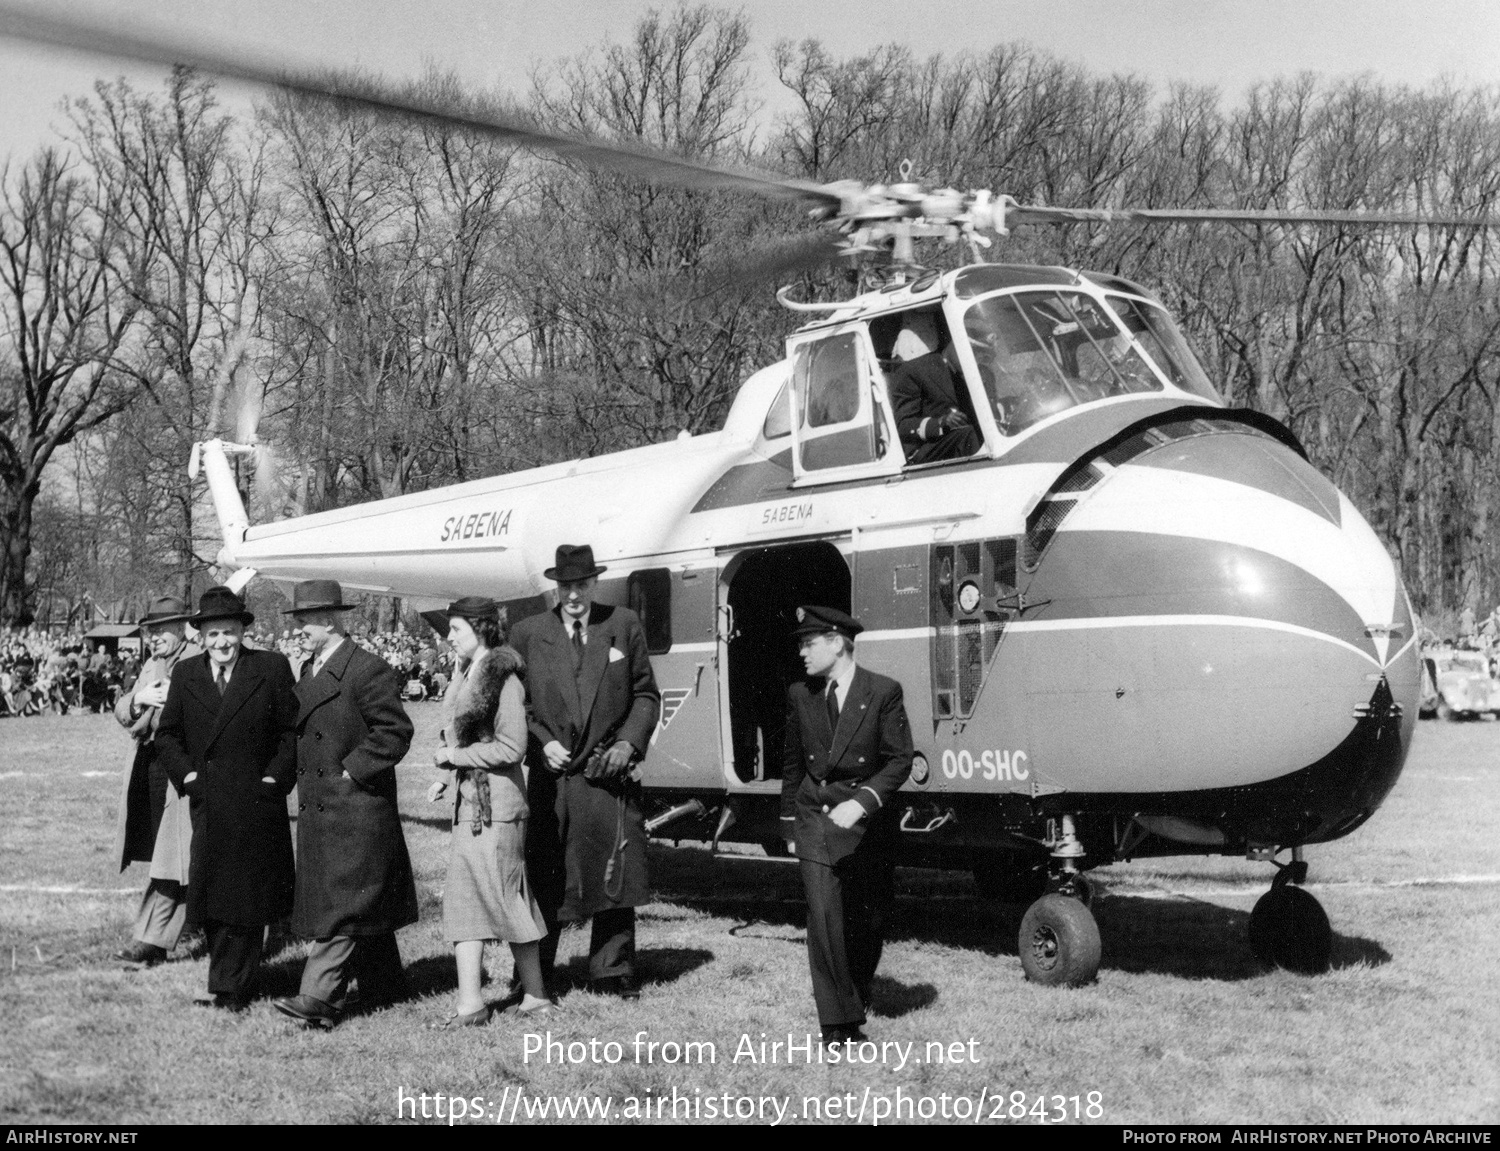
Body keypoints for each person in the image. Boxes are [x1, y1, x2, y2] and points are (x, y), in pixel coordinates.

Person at [509, 544, 661, 999]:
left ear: (595, 583)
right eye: (565, 586)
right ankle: (534, 972)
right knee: (544, 871)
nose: (574, 595)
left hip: (605, 774)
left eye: (582, 585)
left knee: (614, 867)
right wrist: (544, 742)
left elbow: (646, 695)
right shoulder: (528, 632)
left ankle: (612, 970)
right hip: (552, 776)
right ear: (555, 588)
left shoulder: (622, 624)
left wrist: (627, 743)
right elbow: (519, 704)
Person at [271, 581, 417, 1030]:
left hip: (356, 807)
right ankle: (385, 984)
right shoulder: (311, 671)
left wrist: (352, 769)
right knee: (357, 898)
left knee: (344, 907)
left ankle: (319, 997)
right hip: (325, 807)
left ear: (331, 621)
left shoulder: (366, 670)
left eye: (305, 621)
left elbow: (395, 731)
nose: (298, 629)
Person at [155, 586, 299, 1010]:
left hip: (257, 802)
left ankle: (233, 988)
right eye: (214, 634)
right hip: (209, 802)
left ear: (242, 632)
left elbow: (290, 734)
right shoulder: (186, 675)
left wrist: (274, 780)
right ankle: (227, 983)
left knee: (249, 896)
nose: (222, 642)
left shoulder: (270, 668)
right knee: (214, 895)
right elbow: (167, 736)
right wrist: (191, 778)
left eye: (230, 633)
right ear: (200, 635)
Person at [780, 605, 913, 1045]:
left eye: (809, 643)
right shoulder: (802, 694)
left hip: (865, 823)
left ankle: (855, 986)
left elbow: (899, 760)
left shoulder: (882, 691)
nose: (802, 652)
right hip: (815, 817)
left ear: (837, 643)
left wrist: (862, 802)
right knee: (823, 918)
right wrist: (788, 826)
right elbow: (793, 765)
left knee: (867, 918)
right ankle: (839, 1023)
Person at [427, 597, 551, 1025]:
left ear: (480, 630)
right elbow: (455, 737)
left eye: (455, 629)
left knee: (507, 900)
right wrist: (445, 777)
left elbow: (512, 747)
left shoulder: (505, 681)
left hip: (499, 809)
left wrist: (454, 761)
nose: (448, 637)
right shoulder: (466, 673)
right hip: (472, 805)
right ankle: (472, 1004)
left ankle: (536, 996)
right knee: (464, 902)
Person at [112, 596, 200, 967]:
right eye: (151, 631)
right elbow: (123, 711)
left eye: (162, 630)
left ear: (182, 628)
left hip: (181, 768)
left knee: (173, 856)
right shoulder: (151, 664)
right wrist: (139, 698)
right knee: (172, 852)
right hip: (149, 765)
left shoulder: (197, 657)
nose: (155, 637)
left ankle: (151, 939)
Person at [888, 311, 982, 464]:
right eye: (973, 351)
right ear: (954, 344)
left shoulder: (967, 375)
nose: (976, 360)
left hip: (955, 445)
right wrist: (941, 423)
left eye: (981, 354)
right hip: (925, 451)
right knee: (969, 434)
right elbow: (902, 425)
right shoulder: (913, 371)